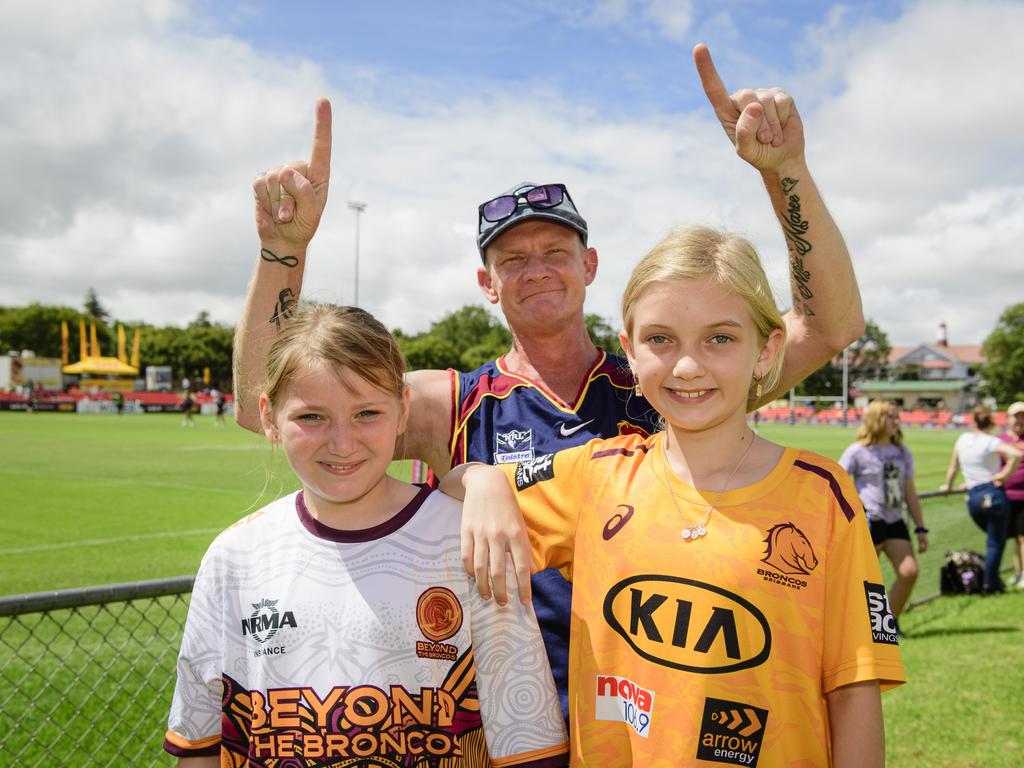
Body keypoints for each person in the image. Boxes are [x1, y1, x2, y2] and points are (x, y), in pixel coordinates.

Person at [233, 44, 866, 721]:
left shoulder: (668, 383)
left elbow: (829, 326)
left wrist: (784, 173)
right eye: (513, 259)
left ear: (589, 264)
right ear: (486, 284)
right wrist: (283, 251)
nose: (537, 269)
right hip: (500, 723)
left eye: (555, 252)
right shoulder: (451, 401)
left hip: (642, 717)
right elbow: (260, 402)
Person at [443, 226, 904, 767]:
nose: (687, 366)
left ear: (767, 348)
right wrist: (483, 478)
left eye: (720, 338)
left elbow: (853, 685)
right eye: (660, 339)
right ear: (630, 353)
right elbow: (447, 498)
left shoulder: (822, 493)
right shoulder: (593, 476)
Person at [164, 304, 567, 767]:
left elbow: (528, 742)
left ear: (403, 412)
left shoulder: (467, 541)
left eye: (367, 413)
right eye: (312, 417)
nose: (341, 442)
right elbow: (200, 745)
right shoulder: (234, 557)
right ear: (270, 418)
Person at [839, 400, 928, 625]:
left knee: (909, 572)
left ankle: (888, 624)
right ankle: (854, 629)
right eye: (890, 416)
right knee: (863, 581)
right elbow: (837, 482)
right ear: (875, 419)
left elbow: (910, 492)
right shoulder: (858, 451)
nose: (896, 421)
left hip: (895, 520)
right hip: (870, 522)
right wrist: (855, 509)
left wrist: (920, 526)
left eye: (897, 416)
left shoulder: (901, 451)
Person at [940, 405, 1023, 593]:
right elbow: (1016, 454)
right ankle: (990, 583)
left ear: (972, 421)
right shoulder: (991, 441)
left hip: (973, 496)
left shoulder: (963, 439)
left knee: (996, 538)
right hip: (993, 494)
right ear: (992, 422)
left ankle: (992, 578)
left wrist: (949, 486)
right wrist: (1003, 475)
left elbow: (953, 467)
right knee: (995, 542)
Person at [1000, 402, 1024, 586]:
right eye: (1016, 416)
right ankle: (1018, 571)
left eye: (1022, 416)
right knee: (1016, 538)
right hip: (1006, 497)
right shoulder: (1000, 441)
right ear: (1008, 418)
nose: (1019, 420)